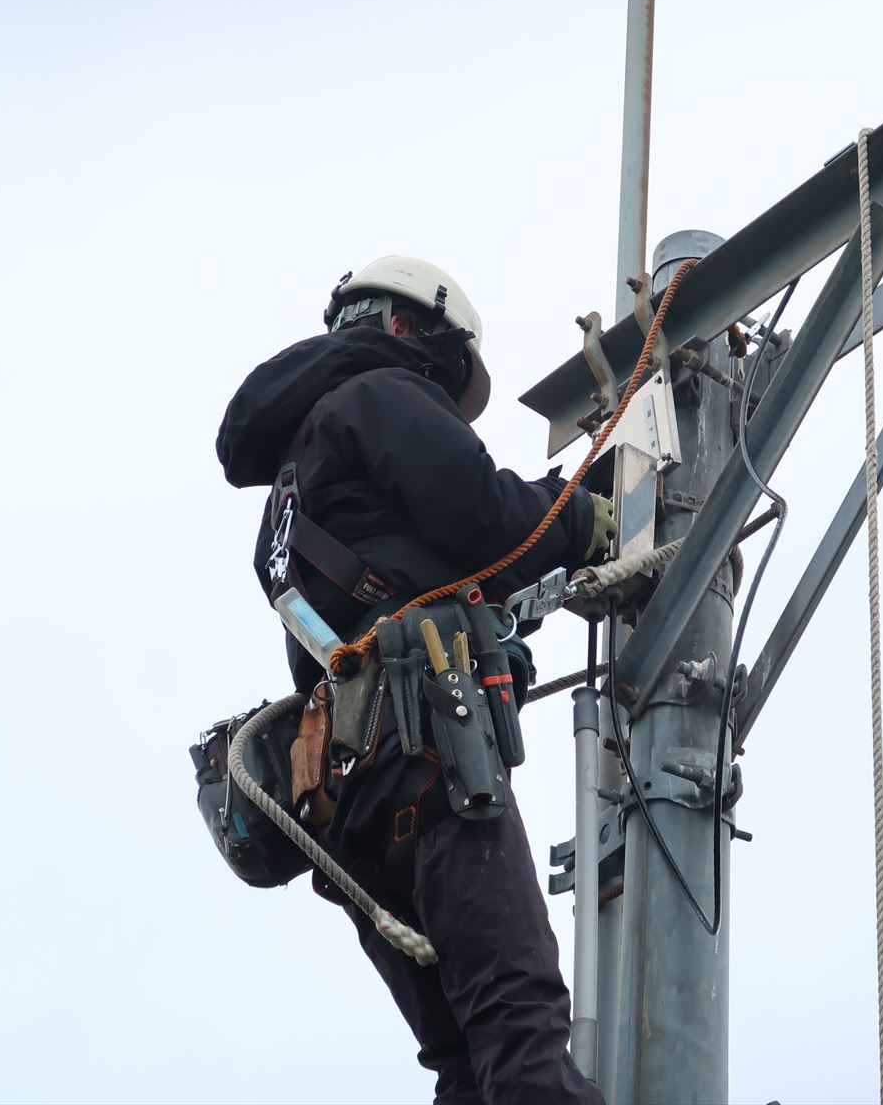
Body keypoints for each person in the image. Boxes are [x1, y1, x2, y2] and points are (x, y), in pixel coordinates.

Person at [216, 256, 613, 1105]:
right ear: (405, 326)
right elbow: (487, 520)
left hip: (354, 807)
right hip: (429, 760)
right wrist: (583, 514)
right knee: (518, 1023)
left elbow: (433, 576)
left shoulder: (289, 491)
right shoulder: (379, 393)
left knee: (465, 1066)